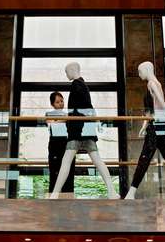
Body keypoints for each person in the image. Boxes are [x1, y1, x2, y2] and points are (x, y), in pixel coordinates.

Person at [50, 62, 119, 199]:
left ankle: (55, 194)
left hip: (78, 132)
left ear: (72, 70)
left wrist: (91, 121)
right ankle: (111, 192)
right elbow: (89, 107)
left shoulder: (77, 84)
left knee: (66, 161)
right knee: (97, 161)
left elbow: (86, 107)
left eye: (66, 72)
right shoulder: (82, 85)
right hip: (86, 131)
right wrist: (96, 121)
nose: (66, 75)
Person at [125, 61, 165, 199]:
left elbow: (162, 103)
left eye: (140, 71)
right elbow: (150, 111)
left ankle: (132, 192)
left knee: (145, 158)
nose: (139, 74)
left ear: (147, 70)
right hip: (159, 123)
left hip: (158, 124)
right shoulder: (152, 84)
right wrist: (144, 127)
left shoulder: (153, 84)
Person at [46, 91, 74, 195]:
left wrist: (65, 118)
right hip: (54, 144)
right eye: (57, 102)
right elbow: (51, 126)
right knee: (54, 172)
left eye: (62, 101)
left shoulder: (68, 115)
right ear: (52, 104)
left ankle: (69, 198)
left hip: (66, 144)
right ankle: (53, 197)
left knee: (68, 173)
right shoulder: (49, 114)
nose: (61, 103)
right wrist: (65, 119)